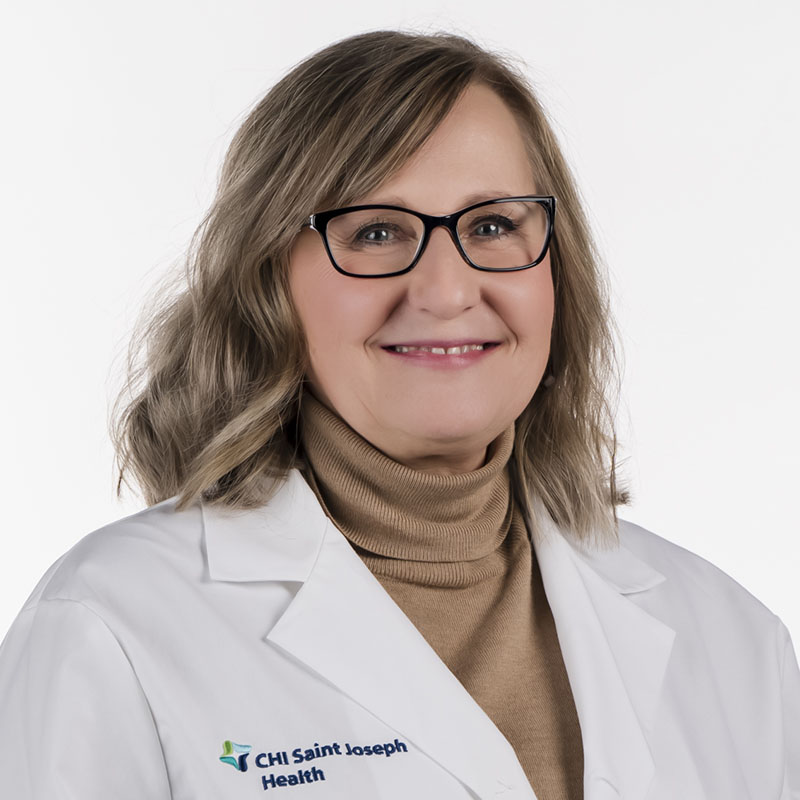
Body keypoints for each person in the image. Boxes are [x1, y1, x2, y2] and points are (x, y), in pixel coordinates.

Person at [0, 29, 797, 800]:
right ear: (266, 279)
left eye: (493, 225)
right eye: (377, 231)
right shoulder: (110, 626)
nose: (447, 291)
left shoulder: (732, 642)